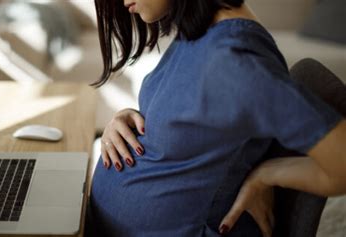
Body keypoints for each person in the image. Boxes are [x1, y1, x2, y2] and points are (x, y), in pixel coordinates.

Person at [86, 0, 346, 236]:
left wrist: (267, 174)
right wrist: (128, 120)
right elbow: (191, 124)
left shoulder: (237, 62)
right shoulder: (200, 32)